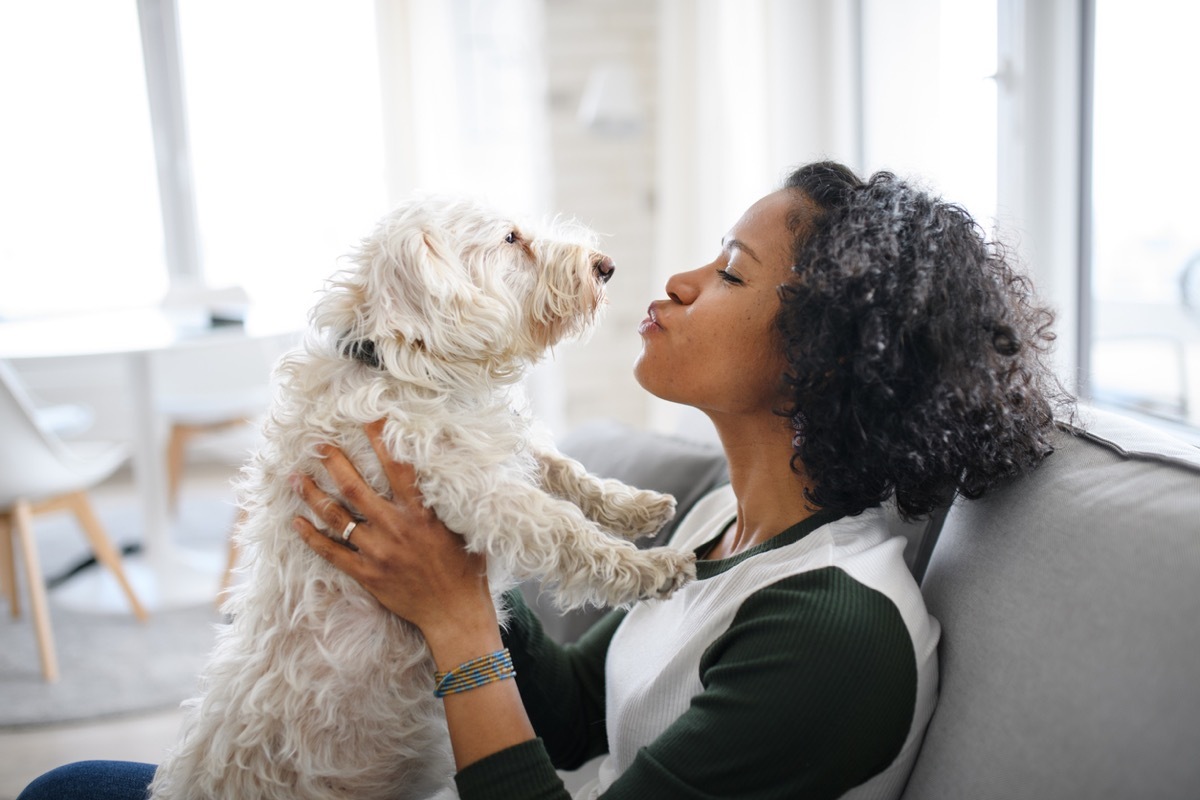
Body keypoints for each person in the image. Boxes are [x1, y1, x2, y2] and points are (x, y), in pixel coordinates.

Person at [18, 161, 1070, 800]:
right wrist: (429, 535)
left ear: (828, 357)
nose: (677, 280)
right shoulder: (724, 524)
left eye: (733, 273)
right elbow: (569, 715)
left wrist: (458, 618)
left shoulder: (837, 636)